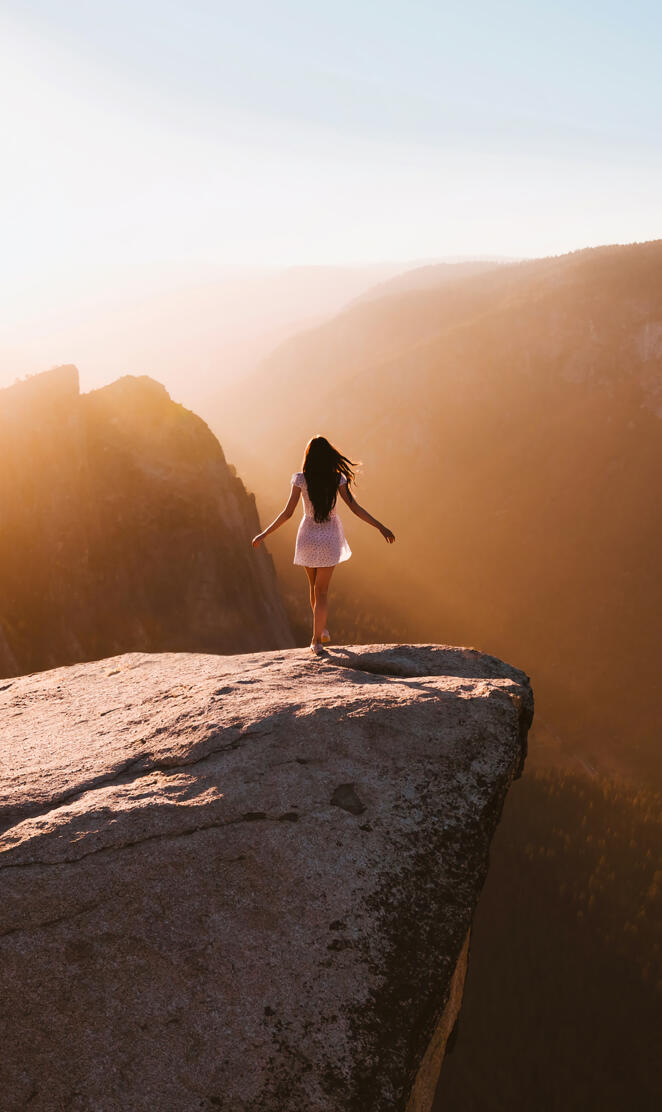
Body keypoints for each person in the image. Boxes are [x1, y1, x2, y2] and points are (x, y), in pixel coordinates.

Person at [252, 436, 395, 654]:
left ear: (308, 457)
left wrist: (264, 533)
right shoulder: (337, 479)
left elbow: (288, 513)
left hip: (308, 535)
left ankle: (319, 634)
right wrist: (380, 526)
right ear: (329, 457)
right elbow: (355, 508)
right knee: (323, 592)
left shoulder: (301, 479)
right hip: (329, 537)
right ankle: (317, 638)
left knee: (313, 588)